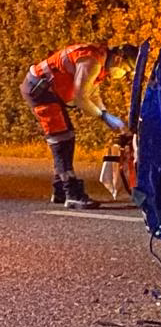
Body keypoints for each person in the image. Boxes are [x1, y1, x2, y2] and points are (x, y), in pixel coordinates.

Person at [20, 43, 138, 209]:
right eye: (126, 70)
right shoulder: (92, 61)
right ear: (119, 59)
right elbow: (81, 97)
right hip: (41, 90)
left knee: (65, 136)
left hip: (44, 88)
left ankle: (60, 189)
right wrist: (104, 116)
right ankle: (72, 194)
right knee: (61, 140)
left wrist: (106, 116)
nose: (124, 74)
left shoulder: (99, 60)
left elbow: (92, 94)